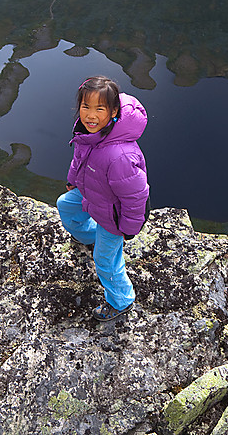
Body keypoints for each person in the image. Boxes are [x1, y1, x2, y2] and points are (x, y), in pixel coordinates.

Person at [57, 76, 150, 321]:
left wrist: (128, 228)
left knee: (105, 261)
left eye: (100, 109)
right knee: (65, 204)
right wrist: (73, 181)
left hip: (113, 215)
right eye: (86, 107)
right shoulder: (89, 133)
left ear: (114, 112)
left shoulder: (119, 155)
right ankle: (87, 236)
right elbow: (79, 161)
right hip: (93, 194)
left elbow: (136, 195)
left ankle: (121, 301)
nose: (90, 115)